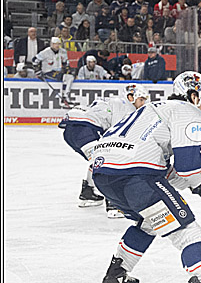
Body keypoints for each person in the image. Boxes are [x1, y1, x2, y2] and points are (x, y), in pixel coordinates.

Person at [90, 72, 201, 283]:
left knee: (149, 222)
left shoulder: (152, 110)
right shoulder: (188, 112)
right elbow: (188, 166)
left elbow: (170, 174)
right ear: (193, 95)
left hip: (104, 176)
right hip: (136, 176)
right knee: (189, 232)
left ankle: (116, 275)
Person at [59, 84, 150, 215]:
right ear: (131, 97)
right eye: (141, 100)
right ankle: (113, 204)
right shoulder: (125, 106)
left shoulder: (113, 102)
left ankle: (88, 193)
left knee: (98, 159)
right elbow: (117, 135)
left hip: (72, 131)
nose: (143, 104)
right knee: (111, 160)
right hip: (85, 129)